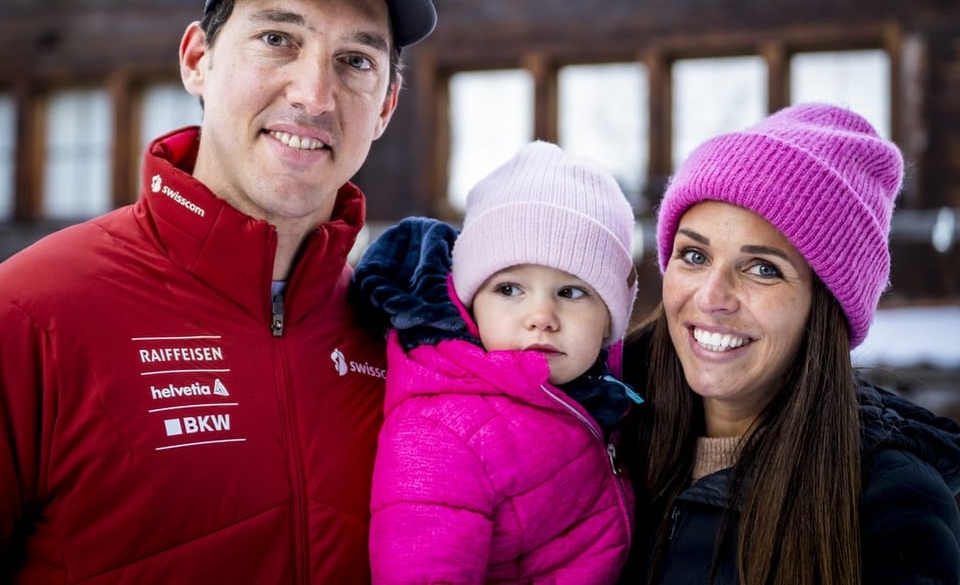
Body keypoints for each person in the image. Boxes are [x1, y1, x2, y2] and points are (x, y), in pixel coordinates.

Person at [0, 0, 435, 583]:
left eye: (356, 59)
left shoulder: (408, 344)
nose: (314, 95)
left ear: (385, 104)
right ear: (197, 58)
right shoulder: (28, 314)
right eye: (277, 39)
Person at [619, 102, 960, 584]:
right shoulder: (596, 430)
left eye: (762, 268)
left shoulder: (890, 505)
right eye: (694, 255)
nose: (712, 297)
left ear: (822, 309)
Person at [351, 140, 643, 583]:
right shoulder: (442, 430)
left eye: (571, 292)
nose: (541, 318)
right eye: (510, 289)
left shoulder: (601, 391)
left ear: (610, 319)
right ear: (471, 304)